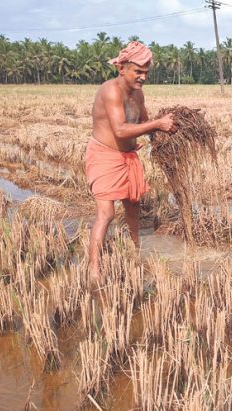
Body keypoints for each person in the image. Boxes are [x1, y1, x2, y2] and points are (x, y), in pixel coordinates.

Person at [86, 41, 176, 284]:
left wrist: (167, 132)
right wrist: (158, 124)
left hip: (129, 158)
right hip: (105, 156)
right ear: (122, 68)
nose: (143, 76)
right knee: (106, 214)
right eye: (138, 71)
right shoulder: (110, 91)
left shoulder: (138, 93)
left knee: (133, 206)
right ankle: (94, 269)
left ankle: (135, 249)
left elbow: (145, 122)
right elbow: (121, 129)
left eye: (146, 72)